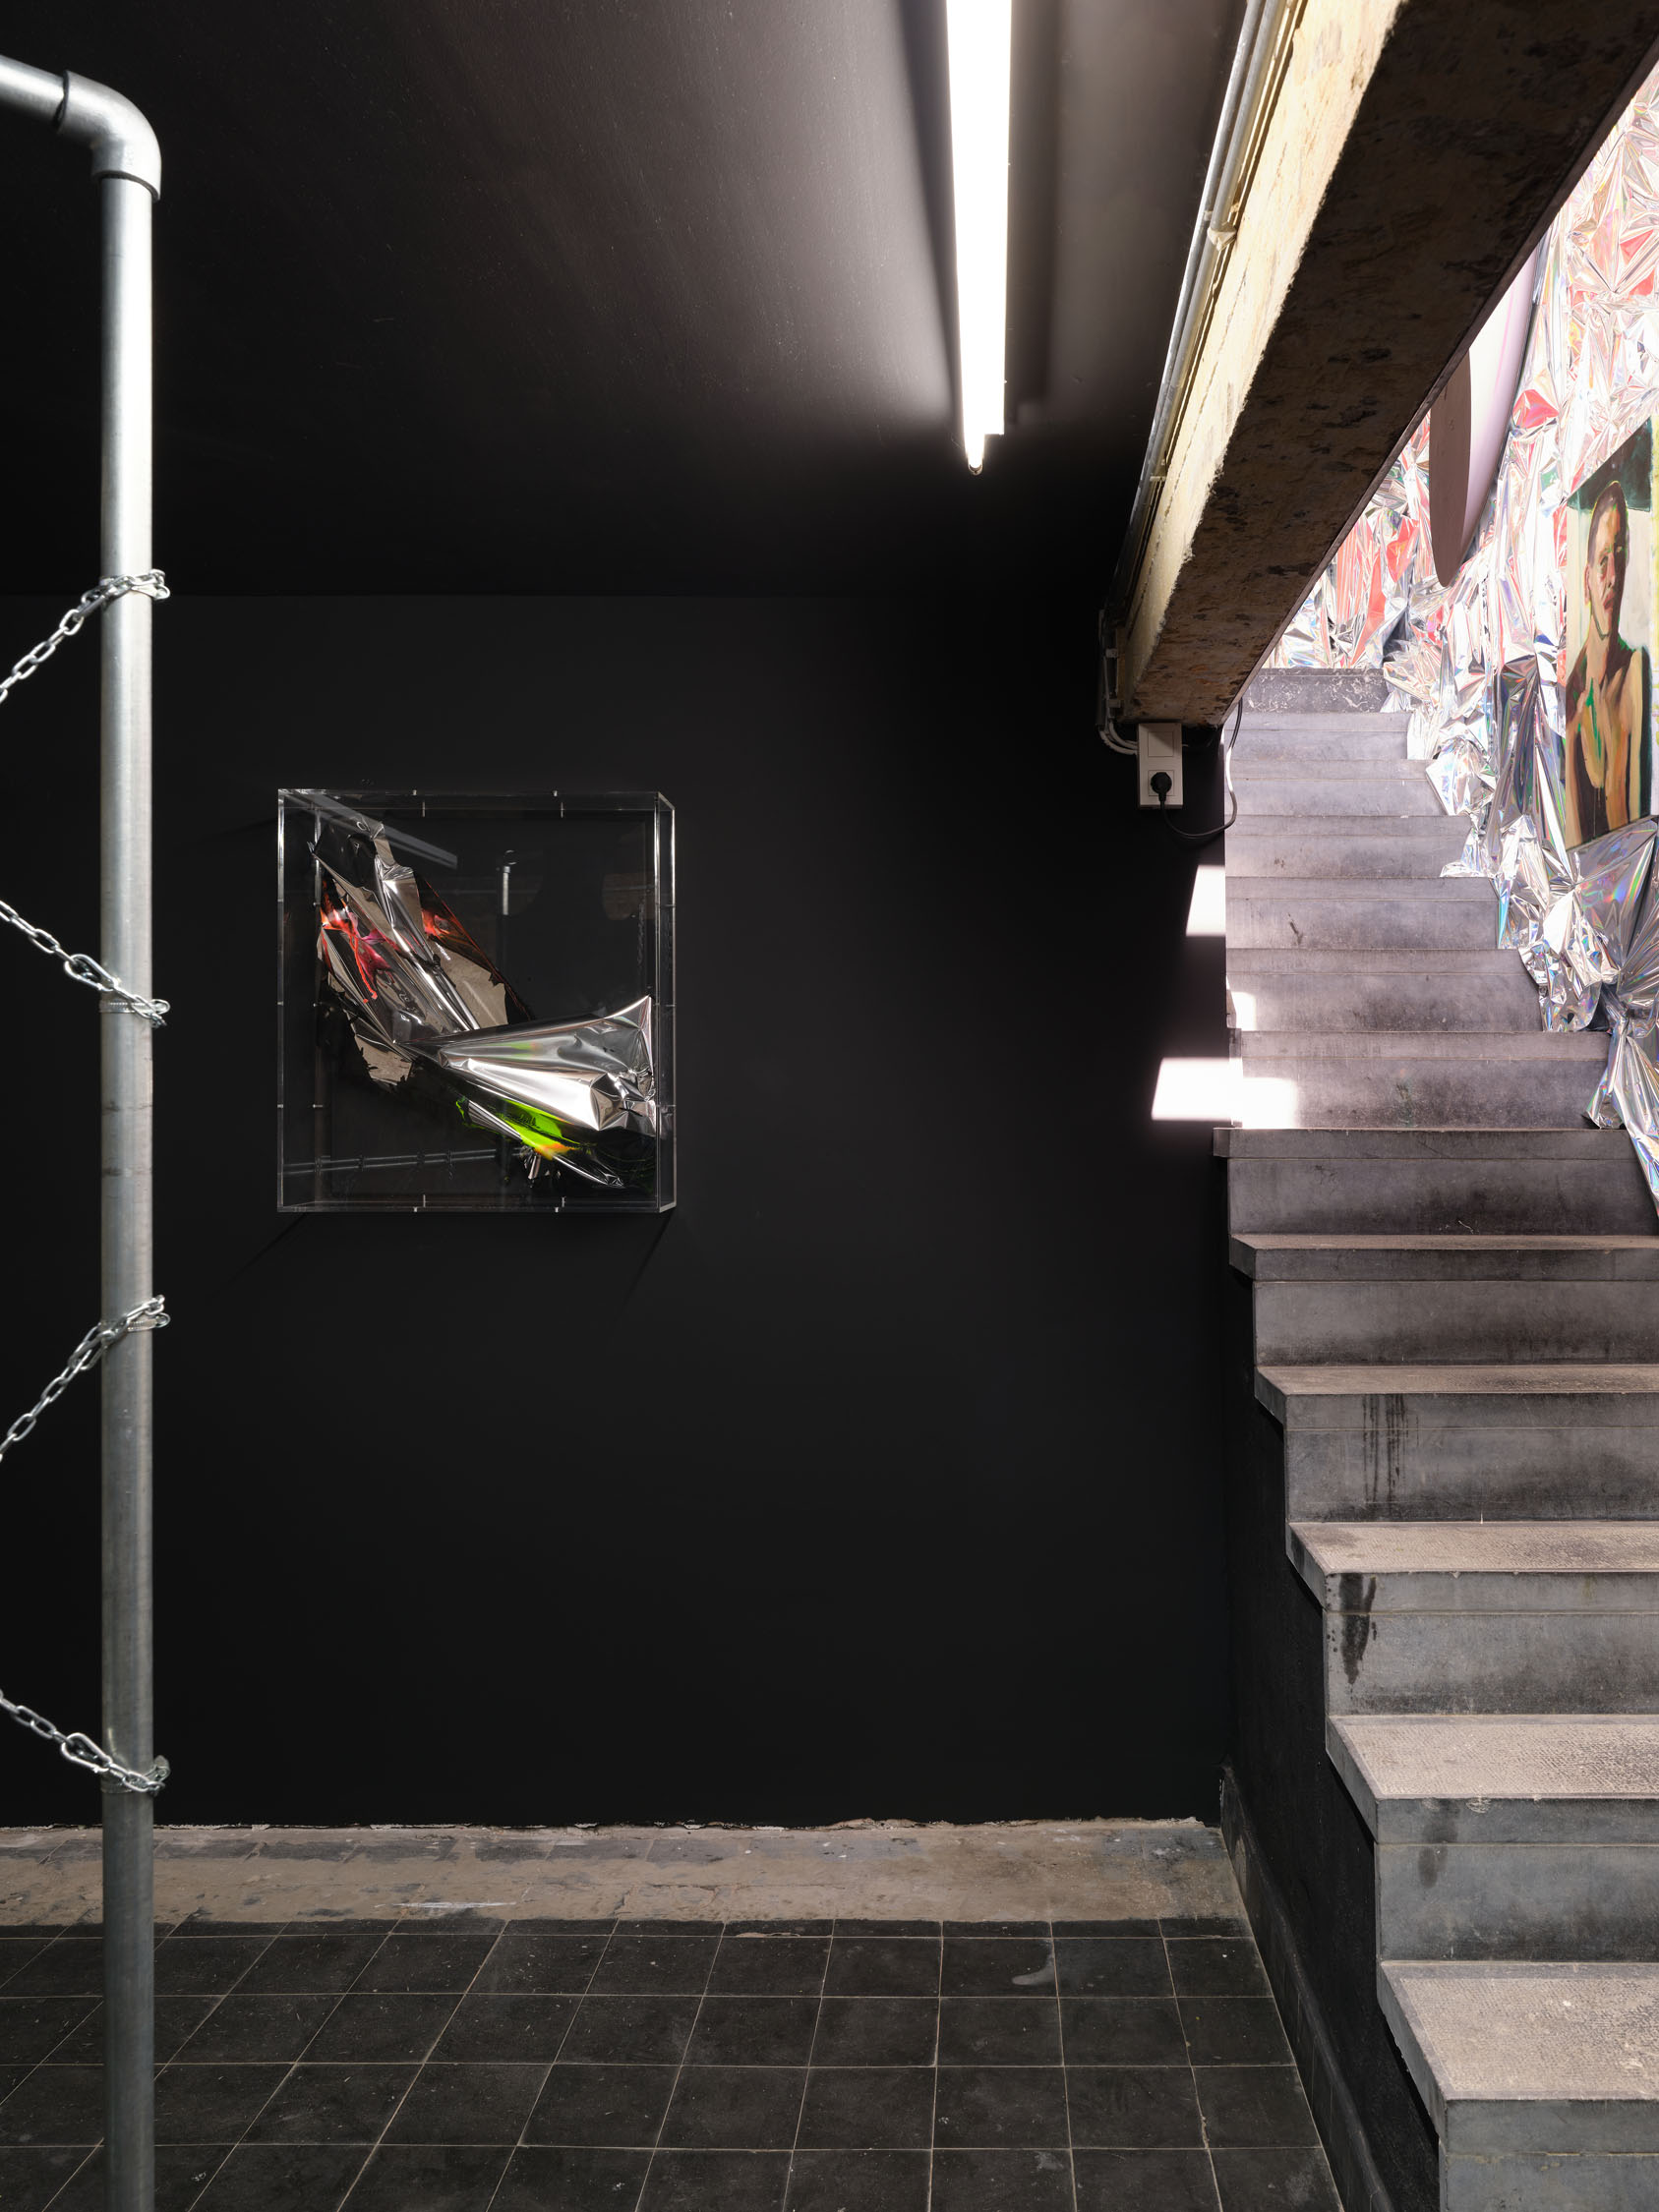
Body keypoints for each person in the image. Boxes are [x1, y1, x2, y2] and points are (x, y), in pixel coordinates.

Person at [1564, 477, 1651, 844]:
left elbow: (1632, 830)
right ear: (1587, 580)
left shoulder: (1634, 670)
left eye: (1619, 555)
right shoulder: (1571, 695)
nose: (1613, 576)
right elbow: (1572, 842)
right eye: (1603, 561)